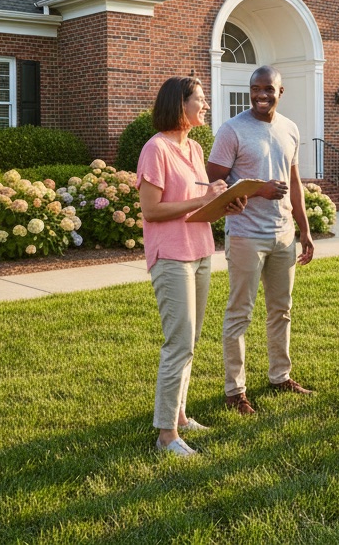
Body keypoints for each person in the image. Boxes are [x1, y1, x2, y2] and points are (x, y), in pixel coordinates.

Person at [136, 75, 245, 458]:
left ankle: (180, 415)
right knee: (178, 343)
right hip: (171, 256)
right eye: (200, 99)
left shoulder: (196, 149)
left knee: (191, 342)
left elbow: (199, 205)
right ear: (179, 104)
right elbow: (151, 210)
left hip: (200, 252)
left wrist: (224, 203)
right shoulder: (156, 149)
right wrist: (201, 200)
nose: (206, 105)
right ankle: (165, 436)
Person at [206, 65, 315, 414]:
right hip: (245, 236)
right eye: (256, 88)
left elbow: (294, 182)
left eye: (269, 89)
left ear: (280, 92)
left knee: (281, 310)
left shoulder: (291, 129)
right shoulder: (231, 130)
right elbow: (214, 186)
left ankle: (280, 376)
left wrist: (305, 229)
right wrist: (259, 191)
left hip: (282, 235)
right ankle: (234, 391)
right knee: (240, 313)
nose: (261, 95)